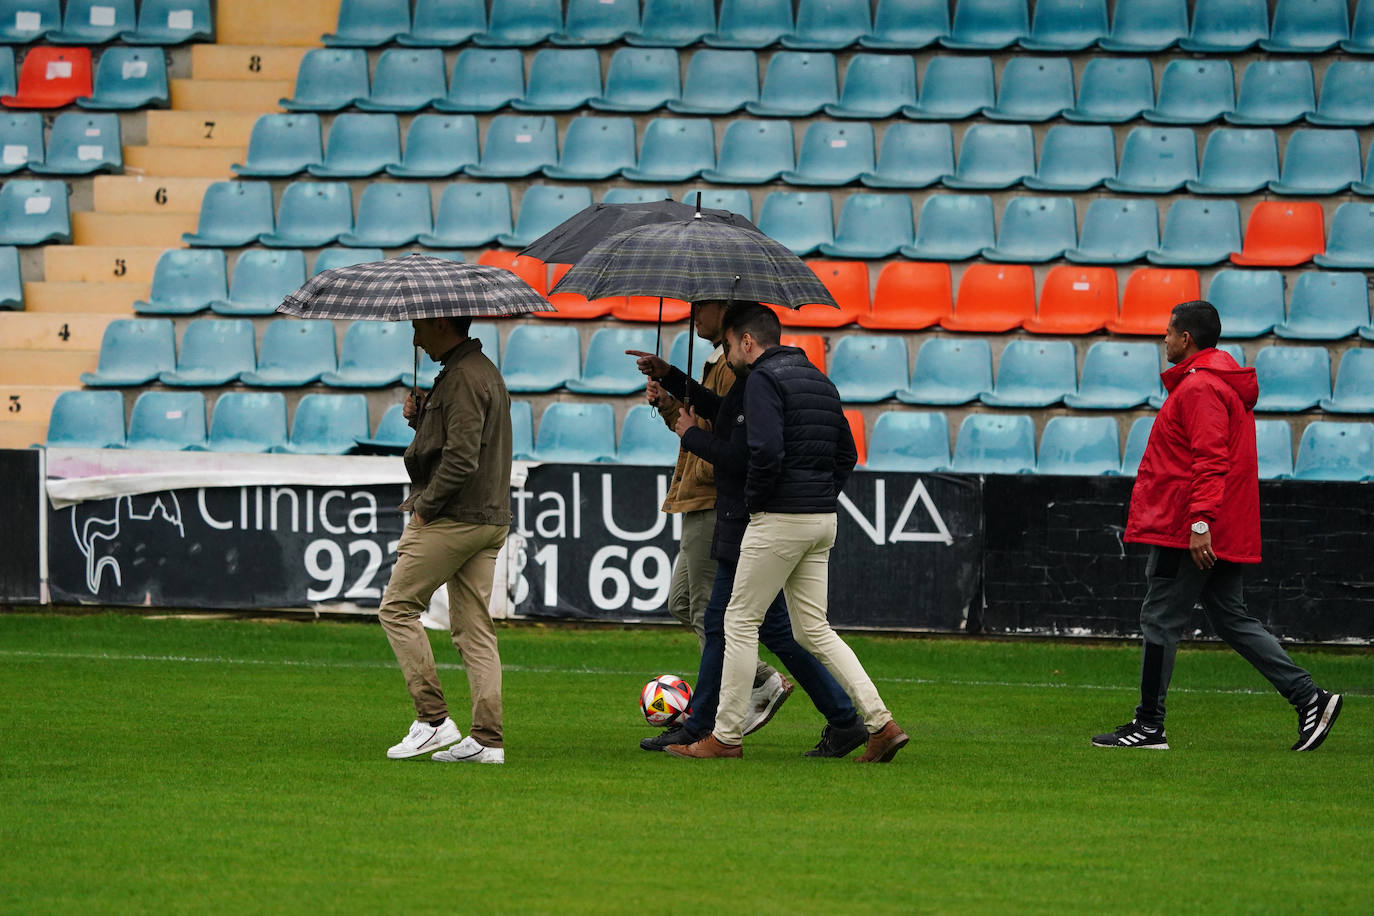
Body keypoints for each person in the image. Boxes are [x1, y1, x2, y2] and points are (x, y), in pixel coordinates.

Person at [1093, 300, 1342, 751]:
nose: (1164, 339)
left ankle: (1149, 725)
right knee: (1232, 618)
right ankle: (1310, 698)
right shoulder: (1218, 383)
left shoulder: (1200, 388)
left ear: (1186, 338)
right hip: (1212, 523)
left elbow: (1211, 460)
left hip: (1186, 525)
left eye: (1169, 332)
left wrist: (1200, 521)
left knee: (1159, 620)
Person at [664, 303, 909, 762]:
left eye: (733, 345)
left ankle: (725, 738)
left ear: (748, 341)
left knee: (737, 622)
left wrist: (758, 500)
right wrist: (820, 495)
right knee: (815, 630)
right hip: (821, 519)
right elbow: (847, 453)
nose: (731, 355)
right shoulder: (819, 378)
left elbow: (765, 452)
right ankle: (881, 723)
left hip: (778, 519)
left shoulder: (761, 380)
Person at [629, 302, 791, 746]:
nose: (693, 312)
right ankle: (759, 682)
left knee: (710, 613)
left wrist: (677, 403)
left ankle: (715, 713)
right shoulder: (719, 362)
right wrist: (668, 395)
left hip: (713, 499)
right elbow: (700, 421)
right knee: (684, 604)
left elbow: (718, 429)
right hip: (696, 495)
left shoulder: (736, 367)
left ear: (724, 309)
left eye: (701, 305)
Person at [378, 315, 512, 764]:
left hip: (456, 516)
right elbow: (462, 444)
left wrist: (425, 506)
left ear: (441, 323)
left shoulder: (460, 378)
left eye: (419, 327)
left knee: (396, 609)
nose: (414, 337)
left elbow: (460, 458)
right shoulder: (482, 371)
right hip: (489, 516)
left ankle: (433, 721)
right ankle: (487, 741)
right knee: (475, 630)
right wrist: (421, 421)